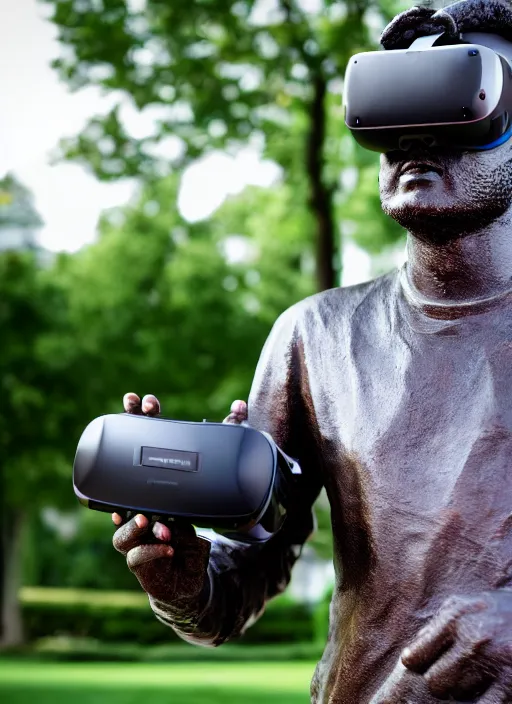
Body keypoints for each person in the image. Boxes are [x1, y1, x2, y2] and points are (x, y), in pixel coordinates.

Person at [111, 2, 512, 701]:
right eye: (396, 100)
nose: (417, 132)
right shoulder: (316, 336)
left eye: (455, 96)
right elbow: (234, 584)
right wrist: (180, 581)